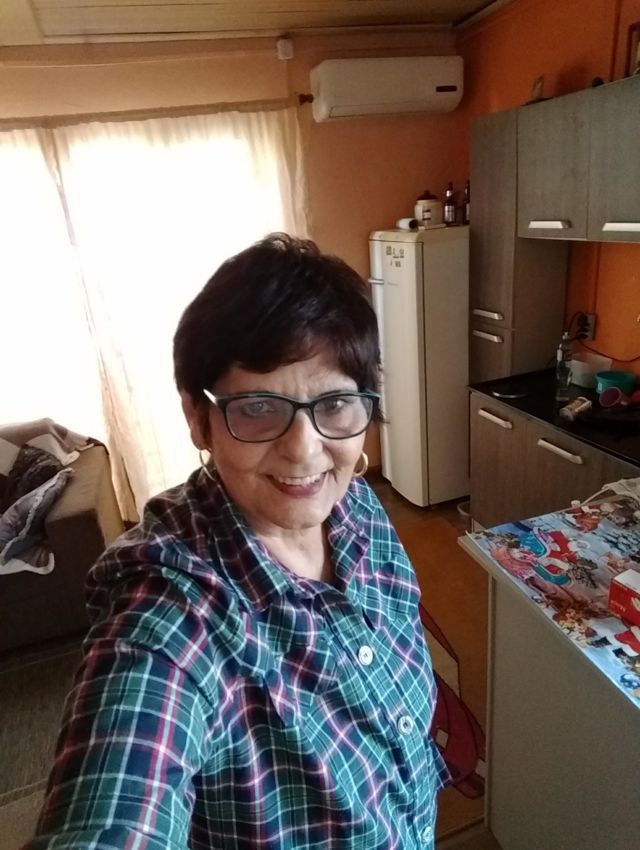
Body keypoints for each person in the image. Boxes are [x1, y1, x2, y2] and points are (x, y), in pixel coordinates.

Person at [26, 234, 449, 850]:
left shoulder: (356, 506)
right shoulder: (172, 618)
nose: (304, 450)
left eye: (335, 402)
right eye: (257, 407)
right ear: (198, 418)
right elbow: (116, 805)